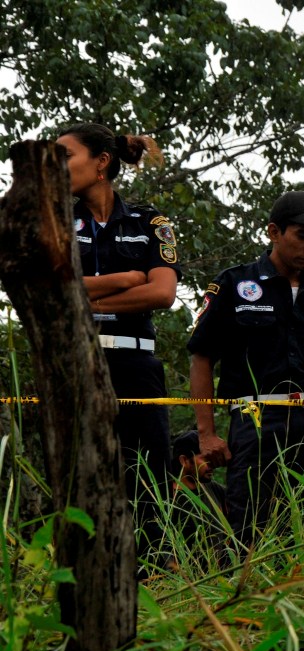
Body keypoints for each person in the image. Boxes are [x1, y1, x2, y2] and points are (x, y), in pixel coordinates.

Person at [188, 190, 304, 549]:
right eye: (302, 236)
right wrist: (206, 434)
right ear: (274, 232)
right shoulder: (235, 284)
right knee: (247, 533)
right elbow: (201, 357)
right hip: (257, 420)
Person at [57, 123, 180, 565]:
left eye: (65, 156)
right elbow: (51, 290)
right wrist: (127, 279)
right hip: (78, 362)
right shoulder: (55, 219)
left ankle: (152, 582)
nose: (56, 168)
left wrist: (84, 290)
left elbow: (163, 293)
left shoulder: (152, 222)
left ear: (101, 162)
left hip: (136, 365)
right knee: (81, 478)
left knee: (149, 480)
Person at [168, 430, 228, 569]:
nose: (211, 465)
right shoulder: (169, 498)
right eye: (206, 460)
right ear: (184, 461)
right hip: (189, 583)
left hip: (223, 579)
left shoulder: (214, 489)